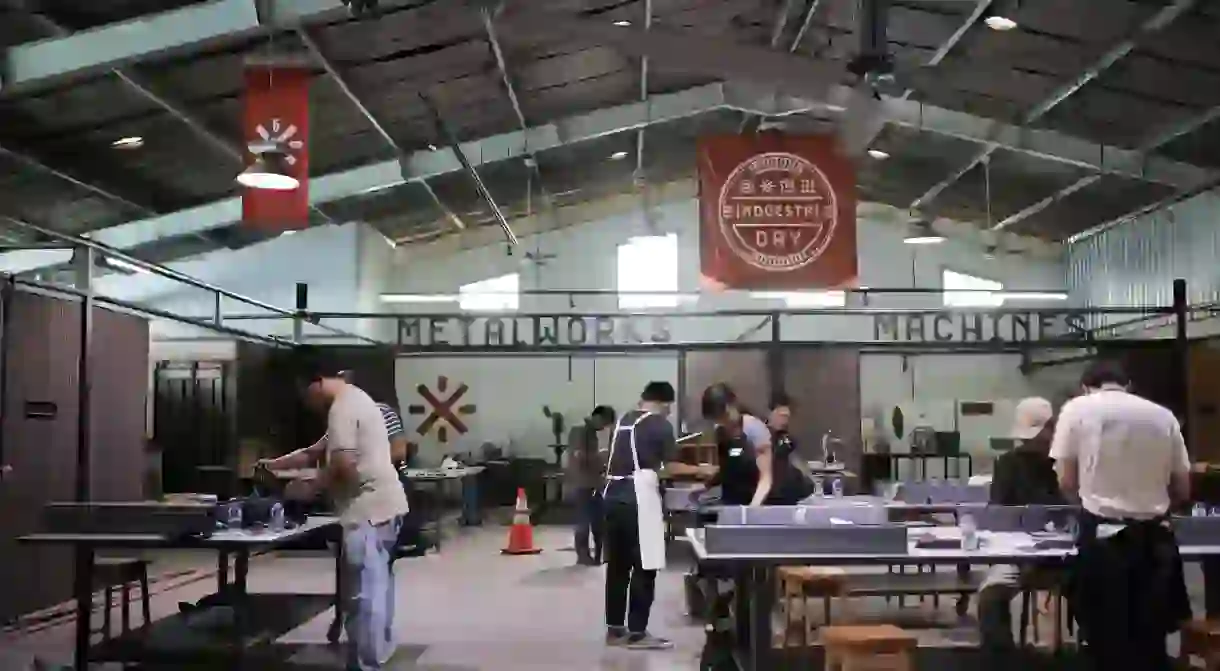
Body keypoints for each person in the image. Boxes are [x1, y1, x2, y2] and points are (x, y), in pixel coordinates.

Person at [260, 364, 409, 671]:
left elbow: (342, 466)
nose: (307, 405)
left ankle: (366, 665)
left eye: (305, 396)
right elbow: (315, 451)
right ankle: (376, 653)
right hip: (384, 509)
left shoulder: (342, 409)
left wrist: (308, 487)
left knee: (363, 598)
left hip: (368, 511)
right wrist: (274, 464)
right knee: (374, 587)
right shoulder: (358, 400)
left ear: (316, 383)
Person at [1050, 360, 1191, 671]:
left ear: (1086, 386)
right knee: (1151, 636)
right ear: (1128, 385)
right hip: (1155, 540)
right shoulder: (1163, 415)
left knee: (1106, 637)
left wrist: (1088, 502)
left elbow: (1066, 480)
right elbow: (1182, 486)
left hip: (1104, 541)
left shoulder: (1077, 409)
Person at [602, 381, 701, 650]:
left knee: (618, 566)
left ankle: (614, 629)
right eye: (669, 408)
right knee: (645, 565)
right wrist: (701, 471)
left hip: (611, 496)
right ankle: (637, 633)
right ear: (665, 403)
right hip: (637, 499)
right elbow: (668, 467)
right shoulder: (659, 424)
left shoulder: (623, 421)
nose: (669, 412)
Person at [976, 397, 1065, 655]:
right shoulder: (1008, 464)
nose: (1032, 441)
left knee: (1097, 591)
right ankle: (1002, 661)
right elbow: (998, 514)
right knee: (990, 599)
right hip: (1015, 554)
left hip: (1064, 556)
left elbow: (1071, 510)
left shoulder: (1065, 463)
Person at [701, 383, 773, 507]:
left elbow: (765, 479)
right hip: (731, 501)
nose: (723, 422)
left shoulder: (754, 429)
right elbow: (729, 468)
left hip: (757, 500)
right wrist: (706, 485)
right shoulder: (720, 431)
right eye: (717, 419)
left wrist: (752, 509)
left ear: (734, 405)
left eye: (725, 416)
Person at [567, 405, 616, 566]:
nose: (603, 428)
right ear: (598, 417)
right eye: (604, 423)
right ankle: (583, 555)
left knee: (598, 521)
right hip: (581, 484)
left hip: (594, 484)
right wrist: (600, 458)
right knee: (583, 521)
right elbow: (579, 457)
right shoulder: (579, 431)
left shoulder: (592, 434)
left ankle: (599, 556)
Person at [765, 393, 815, 504]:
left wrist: (810, 479)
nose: (785, 421)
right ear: (771, 414)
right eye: (782, 416)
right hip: (769, 496)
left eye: (787, 417)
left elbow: (797, 462)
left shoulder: (788, 439)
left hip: (788, 497)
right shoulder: (761, 436)